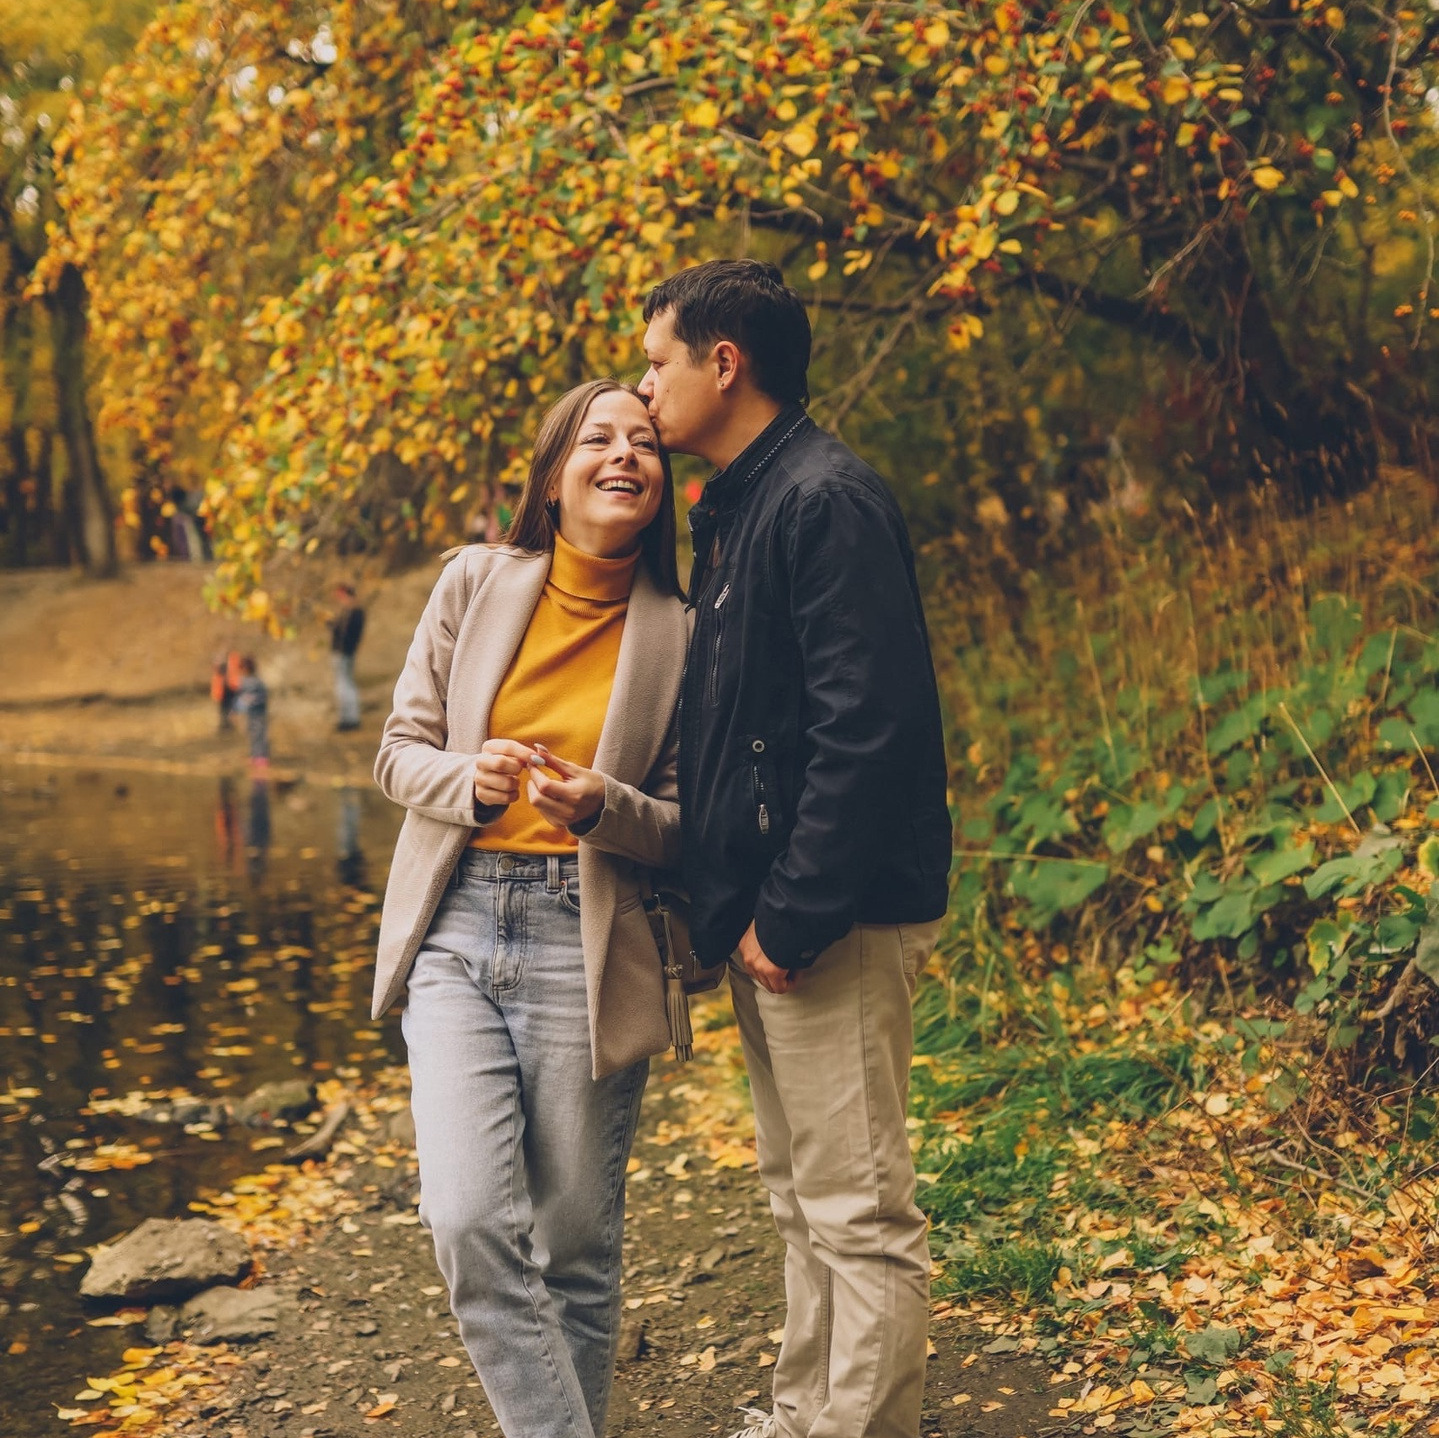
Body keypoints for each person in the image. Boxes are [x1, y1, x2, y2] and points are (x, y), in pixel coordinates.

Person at [638, 260, 953, 1438]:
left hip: (830, 919)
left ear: (723, 364)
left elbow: (866, 728)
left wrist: (794, 912)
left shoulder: (823, 500)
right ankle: (803, 1412)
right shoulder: (743, 505)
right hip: (769, 917)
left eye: (656, 362)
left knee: (856, 1208)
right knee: (798, 1196)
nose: (644, 388)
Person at [371, 379, 689, 1438]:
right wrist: (469, 780)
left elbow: (686, 826)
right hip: (457, 927)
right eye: (597, 437)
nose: (624, 453)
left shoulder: (685, 632)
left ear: (660, 485)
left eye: (644, 442)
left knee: (574, 1248)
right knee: (465, 1218)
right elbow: (396, 754)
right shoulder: (472, 580)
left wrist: (604, 807)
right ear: (552, 477)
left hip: (587, 941)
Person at [330, 582, 366, 731]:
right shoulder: (353, 612)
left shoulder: (353, 612)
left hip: (344, 652)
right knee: (346, 684)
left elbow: (345, 634)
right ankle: (349, 717)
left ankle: (349, 718)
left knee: (344, 685)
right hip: (346, 652)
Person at [232, 655, 270, 774]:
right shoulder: (247, 681)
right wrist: (236, 709)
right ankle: (255, 756)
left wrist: (238, 709)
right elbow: (241, 697)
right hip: (252, 713)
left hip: (258, 713)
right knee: (253, 734)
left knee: (259, 734)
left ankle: (261, 758)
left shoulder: (255, 682)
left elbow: (254, 697)